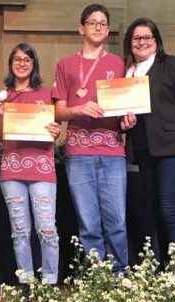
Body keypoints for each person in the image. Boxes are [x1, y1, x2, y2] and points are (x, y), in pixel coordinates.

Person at [53, 3, 136, 273]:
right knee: (88, 222)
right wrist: (78, 108)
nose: (98, 26)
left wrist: (128, 119)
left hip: (112, 150)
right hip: (78, 151)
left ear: (108, 29)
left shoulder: (119, 64)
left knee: (116, 220)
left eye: (103, 23)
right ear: (81, 28)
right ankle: (96, 278)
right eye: (92, 22)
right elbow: (57, 109)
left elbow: (127, 107)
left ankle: (119, 275)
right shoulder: (65, 64)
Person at [123, 17, 175, 266]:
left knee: (169, 210)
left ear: (156, 41)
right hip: (142, 150)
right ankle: (156, 269)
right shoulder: (127, 72)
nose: (141, 42)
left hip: (170, 148)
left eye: (147, 37)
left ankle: (174, 270)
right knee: (151, 212)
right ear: (130, 43)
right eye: (136, 38)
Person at [0, 43, 61, 301]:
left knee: (47, 229)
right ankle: (26, 282)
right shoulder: (3, 96)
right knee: (20, 230)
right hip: (11, 171)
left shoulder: (47, 93)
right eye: (17, 59)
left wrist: (56, 131)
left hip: (42, 170)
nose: (22, 63)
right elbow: (0, 136)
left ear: (34, 64)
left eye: (27, 59)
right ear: (11, 64)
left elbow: (56, 130)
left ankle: (50, 282)